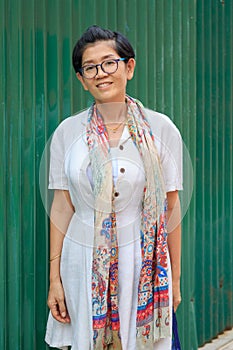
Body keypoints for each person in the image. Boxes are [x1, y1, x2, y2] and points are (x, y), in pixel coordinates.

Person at [45, 25, 182, 350]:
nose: (100, 73)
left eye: (109, 62)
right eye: (89, 67)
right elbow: (63, 206)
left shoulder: (161, 128)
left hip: (143, 265)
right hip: (84, 264)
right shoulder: (68, 132)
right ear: (81, 78)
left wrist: (174, 280)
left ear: (128, 66)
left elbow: (171, 208)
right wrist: (54, 279)